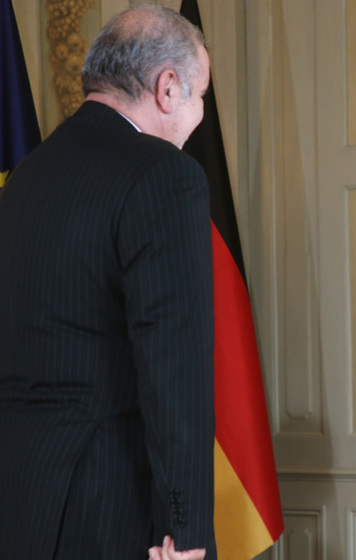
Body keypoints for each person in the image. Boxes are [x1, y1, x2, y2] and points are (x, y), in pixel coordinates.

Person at [0, 5, 217, 560]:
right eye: (200, 99)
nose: (196, 116)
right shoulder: (165, 173)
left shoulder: (25, 176)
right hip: (114, 507)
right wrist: (186, 531)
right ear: (168, 87)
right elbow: (175, 367)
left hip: (21, 496)